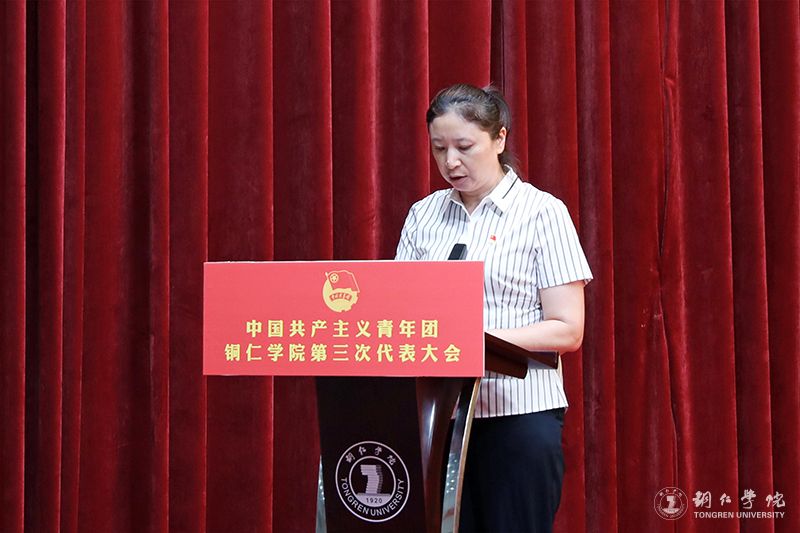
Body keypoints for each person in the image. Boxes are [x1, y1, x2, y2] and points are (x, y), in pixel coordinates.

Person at [395, 84, 592, 532]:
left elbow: (567, 328)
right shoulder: (423, 216)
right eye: (439, 148)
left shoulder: (542, 213)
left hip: (519, 417)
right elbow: (403, 313)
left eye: (464, 147)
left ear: (499, 138)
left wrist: (474, 340)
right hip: (439, 420)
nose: (451, 162)